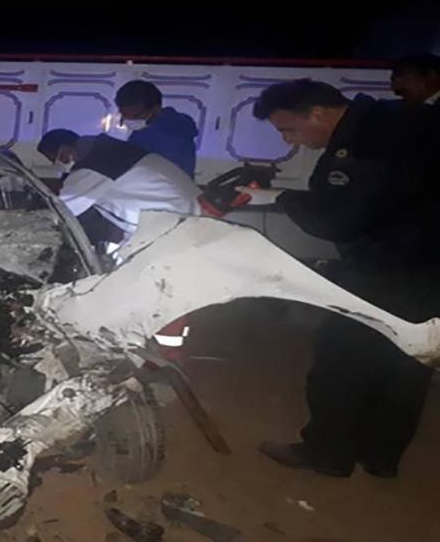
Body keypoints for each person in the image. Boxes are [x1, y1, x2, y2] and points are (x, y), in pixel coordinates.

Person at [237, 79, 437, 478]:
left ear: (318, 113)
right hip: (427, 270)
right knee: (406, 364)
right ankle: (381, 457)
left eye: (289, 129)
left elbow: (336, 220)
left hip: (384, 270)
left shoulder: (362, 143)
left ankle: (328, 454)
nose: (289, 140)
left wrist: (279, 197)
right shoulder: (401, 120)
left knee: (341, 359)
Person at [37, 128, 200, 252]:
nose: (57, 163)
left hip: (177, 223)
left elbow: (63, 211)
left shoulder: (95, 164)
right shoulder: (105, 150)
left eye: (56, 157)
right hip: (178, 216)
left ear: (67, 149)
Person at [115, 80, 198, 177]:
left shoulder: (171, 135)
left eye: (136, 116)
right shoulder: (149, 128)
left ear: (156, 109)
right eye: (124, 114)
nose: (129, 120)